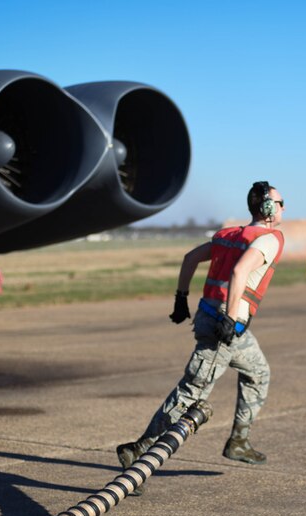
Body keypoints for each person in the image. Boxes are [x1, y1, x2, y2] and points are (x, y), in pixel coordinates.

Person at [117, 181, 286, 479]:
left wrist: (181, 298)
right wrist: (231, 319)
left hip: (214, 318)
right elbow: (240, 271)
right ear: (270, 209)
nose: (284, 208)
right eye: (281, 202)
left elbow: (190, 258)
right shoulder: (269, 238)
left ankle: (239, 441)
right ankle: (139, 449)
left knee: (258, 372)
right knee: (192, 391)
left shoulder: (228, 235)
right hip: (225, 326)